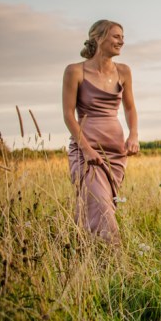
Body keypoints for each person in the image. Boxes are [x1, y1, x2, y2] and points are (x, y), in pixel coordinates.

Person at [62, 20, 139, 243]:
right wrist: (86, 150)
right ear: (98, 38)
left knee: (100, 201)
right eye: (116, 36)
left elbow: (130, 107)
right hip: (86, 148)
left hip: (115, 151)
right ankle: (113, 255)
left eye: (122, 36)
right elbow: (68, 114)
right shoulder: (75, 71)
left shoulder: (124, 71)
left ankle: (82, 247)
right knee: (99, 201)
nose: (121, 40)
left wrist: (133, 135)